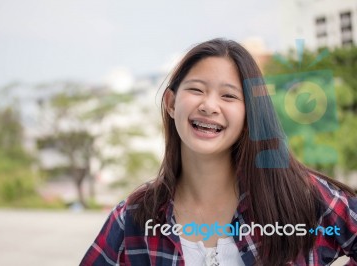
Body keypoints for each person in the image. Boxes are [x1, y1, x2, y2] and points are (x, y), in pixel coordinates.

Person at [80, 38, 357, 265]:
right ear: (171, 103)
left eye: (229, 96)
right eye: (197, 90)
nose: (209, 106)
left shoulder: (298, 197)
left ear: (250, 114)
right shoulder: (134, 218)